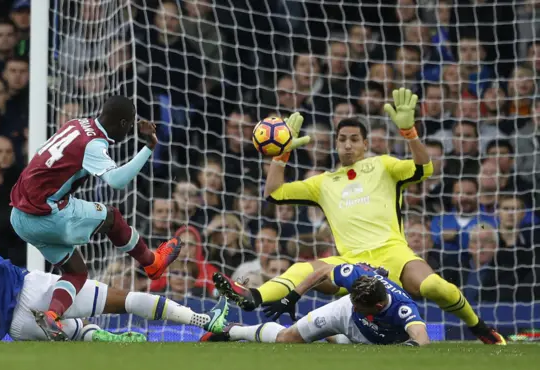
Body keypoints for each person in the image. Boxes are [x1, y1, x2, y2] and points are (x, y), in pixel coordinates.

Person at [214, 88, 506, 345]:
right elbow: (274, 192)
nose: (348, 144)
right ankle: (253, 297)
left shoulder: (384, 165)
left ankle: (478, 327)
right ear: (336, 144)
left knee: (434, 286)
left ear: (366, 144)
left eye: (355, 139)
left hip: (394, 254)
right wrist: (281, 155)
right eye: (342, 139)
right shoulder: (323, 181)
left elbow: (424, 169)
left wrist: (410, 133)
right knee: (302, 269)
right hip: (351, 261)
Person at [0, 162, 228, 341]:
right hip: (30, 287)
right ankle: (201, 319)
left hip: (14, 326)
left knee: (78, 335)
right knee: (123, 300)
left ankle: (97, 338)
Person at [10, 95, 181, 340]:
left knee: (76, 272)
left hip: (19, 216)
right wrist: (148, 147)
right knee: (111, 217)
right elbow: (117, 181)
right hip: (47, 213)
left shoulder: (76, 125)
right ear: (123, 123)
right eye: (130, 125)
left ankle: (52, 315)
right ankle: (152, 262)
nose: (131, 129)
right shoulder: (93, 144)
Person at [207, 263, 430, 346]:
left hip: (376, 339)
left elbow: (422, 338)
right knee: (288, 338)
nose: (356, 306)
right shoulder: (358, 279)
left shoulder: (403, 308)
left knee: (343, 343)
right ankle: (233, 331)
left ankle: (336, 337)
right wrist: (293, 296)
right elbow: (322, 271)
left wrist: (410, 346)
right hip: (341, 315)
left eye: (360, 306)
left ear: (379, 306)